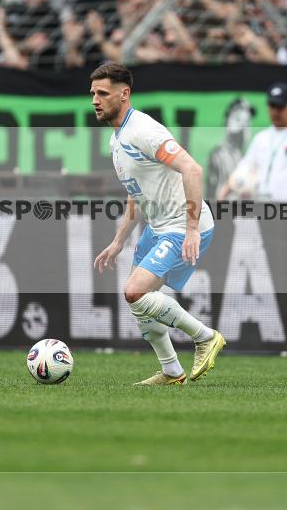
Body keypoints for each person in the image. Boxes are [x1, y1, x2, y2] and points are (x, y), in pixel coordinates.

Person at [91, 63, 225, 386]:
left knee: (135, 291)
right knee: (138, 301)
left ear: (124, 94)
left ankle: (205, 337)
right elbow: (136, 194)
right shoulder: (116, 140)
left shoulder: (143, 131)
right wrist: (118, 241)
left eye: (103, 93)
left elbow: (192, 169)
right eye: (93, 93)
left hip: (182, 225)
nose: (95, 100)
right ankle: (172, 371)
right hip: (159, 226)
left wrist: (191, 229)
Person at [219, 83, 287, 202]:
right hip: (262, 207)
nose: (275, 111)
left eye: (280, 107)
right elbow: (245, 168)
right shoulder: (261, 138)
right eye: (272, 106)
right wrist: (225, 191)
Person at [206, 97, 255, 199]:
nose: (243, 125)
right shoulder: (220, 154)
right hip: (224, 207)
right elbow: (213, 193)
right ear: (226, 121)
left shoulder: (248, 154)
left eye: (247, 121)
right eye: (237, 119)